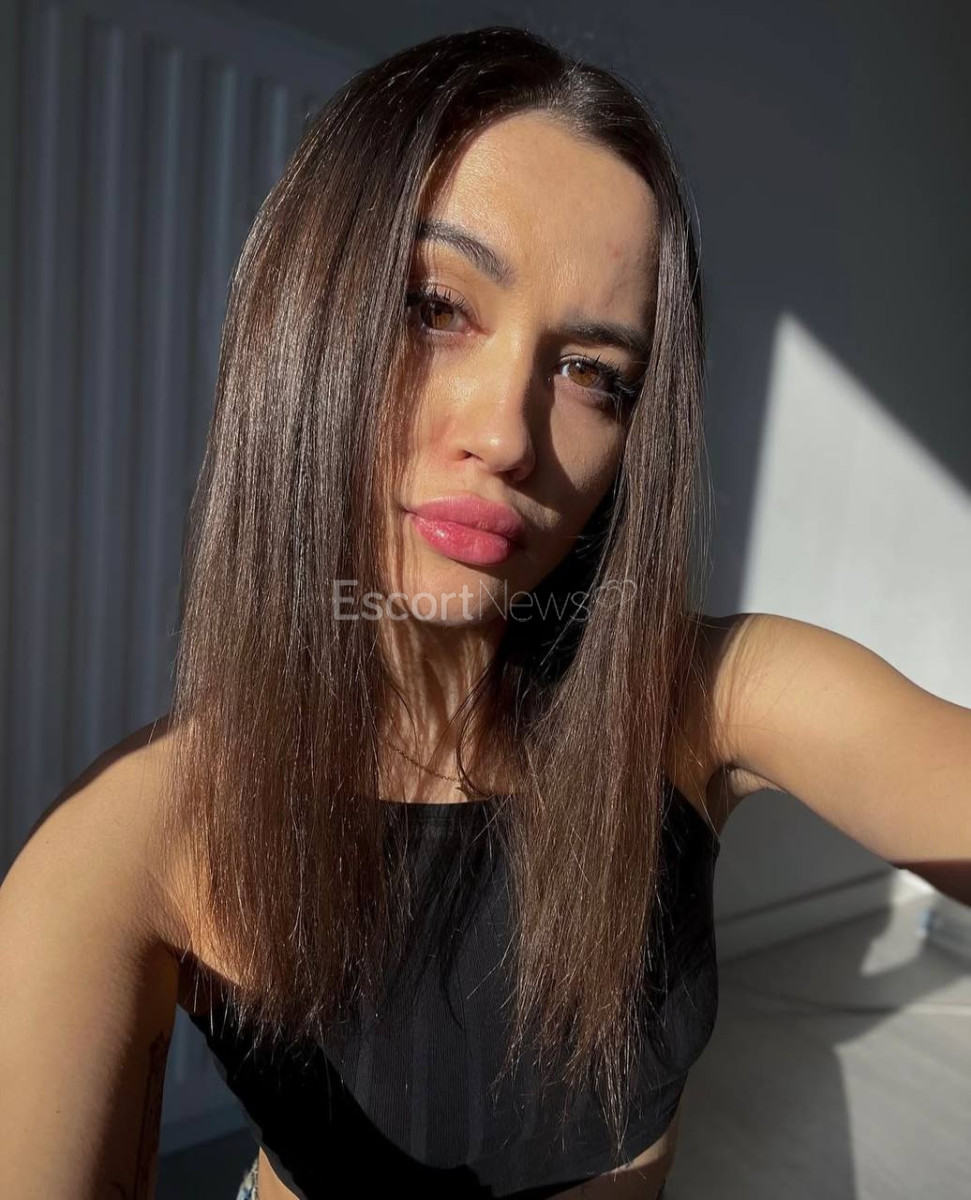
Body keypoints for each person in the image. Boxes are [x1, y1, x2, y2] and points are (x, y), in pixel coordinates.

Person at [1, 24, 968, 1200]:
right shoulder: (128, 844)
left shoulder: (706, 701)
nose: (507, 434)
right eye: (434, 306)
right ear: (302, 322)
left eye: (593, 374)